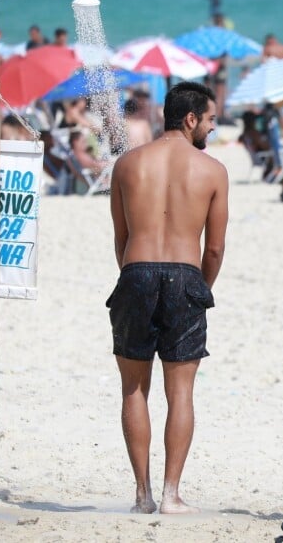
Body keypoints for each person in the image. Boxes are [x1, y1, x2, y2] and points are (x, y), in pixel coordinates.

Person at [107, 81, 228, 514]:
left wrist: (136, 275)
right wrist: (201, 288)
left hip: (135, 271)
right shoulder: (212, 170)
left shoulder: (127, 164)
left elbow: (120, 238)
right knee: (181, 393)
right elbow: (214, 248)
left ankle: (142, 495)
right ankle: (172, 494)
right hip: (185, 273)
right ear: (191, 118)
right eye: (211, 120)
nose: (213, 129)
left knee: (133, 389)